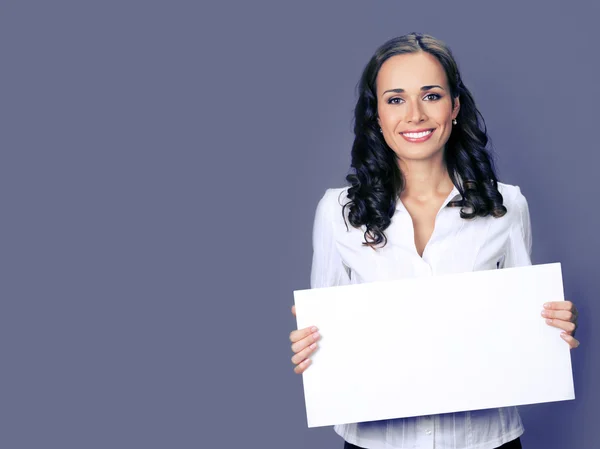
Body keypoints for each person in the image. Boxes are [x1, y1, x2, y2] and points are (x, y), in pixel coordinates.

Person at [288, 32, 580, 449]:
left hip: (486, 440)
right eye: (395, 99)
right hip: (376, 442)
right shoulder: (337, 213)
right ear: (376, 117)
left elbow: (525, 331)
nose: (415, 115)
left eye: (431, 95)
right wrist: (311, 345)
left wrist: (553, 328)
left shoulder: (507, 204)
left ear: (454, 106)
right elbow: (327, 335)